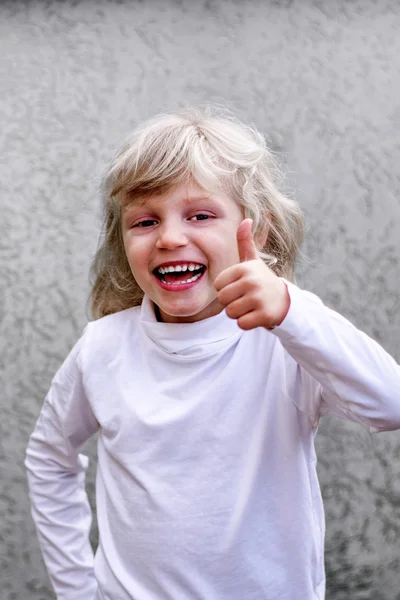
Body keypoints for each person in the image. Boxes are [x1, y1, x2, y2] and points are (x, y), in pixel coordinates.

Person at [25, 106, 400, 600]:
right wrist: (76, 589)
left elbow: (390, 405)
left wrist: (292, 311)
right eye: (145, 221)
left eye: (201, 215)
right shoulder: (103, 347)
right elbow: (49, 457)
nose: (171, 238)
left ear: (256, 232)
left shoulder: (286, 341)